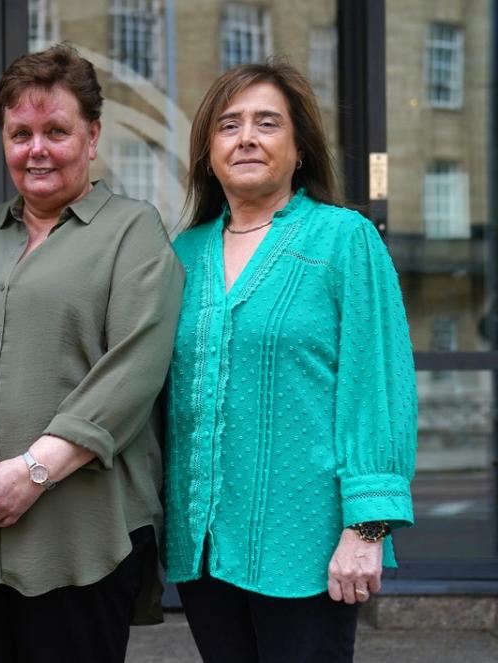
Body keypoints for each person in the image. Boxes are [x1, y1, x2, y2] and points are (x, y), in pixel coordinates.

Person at [0, 44, 183, 663]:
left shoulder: (133, 231)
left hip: (79, 532)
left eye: (56, 131)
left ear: (92, 137)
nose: (36, 149)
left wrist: (31, 472)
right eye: (20, 133)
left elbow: (135, 368)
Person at [164, 61, 417, 662]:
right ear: (207, 151)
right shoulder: (180, 254)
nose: (246, 136)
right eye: (228, 125)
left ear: (299, 149)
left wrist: (367, 528)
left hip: (306, 542)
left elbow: (376, 386)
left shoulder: (343, 239)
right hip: (202, 545)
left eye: (267, 123)